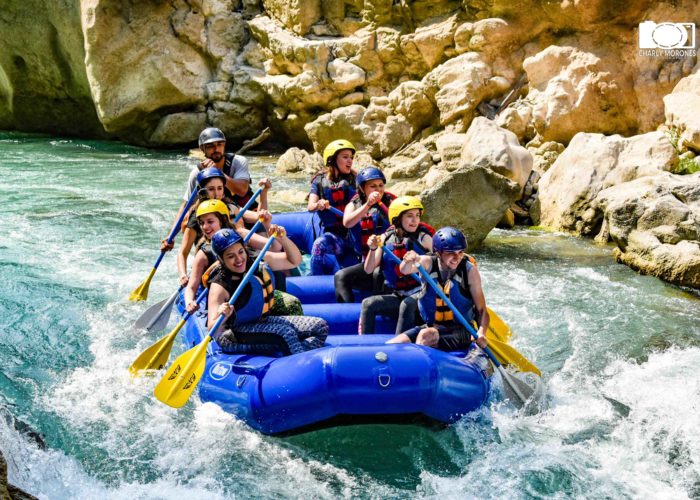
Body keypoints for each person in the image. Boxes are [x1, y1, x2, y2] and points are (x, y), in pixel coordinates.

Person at [207, 228, 328, 356]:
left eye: (241, 252)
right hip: (233, 335)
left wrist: (283, 239)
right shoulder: (220, 285)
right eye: (230, 256)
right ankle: (299, 361)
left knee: (320, 326)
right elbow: (212, 329)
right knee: (286, 334)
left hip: (261, 321)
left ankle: (296, 356)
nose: (239, 259)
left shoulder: (256, 261)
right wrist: (223, 315)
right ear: (220, 259)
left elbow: (294, 261)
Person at [387, 227, 490, 352]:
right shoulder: (428, 262)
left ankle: (418, 369)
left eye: (460, 252)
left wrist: (482, 332)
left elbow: (482, 310)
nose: (456, 257)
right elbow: (404, 270)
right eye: (451, 252)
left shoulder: (469, 271)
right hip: (432, 326)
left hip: (462, 331)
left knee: (426, 336)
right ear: (438, 252)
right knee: (393, 345)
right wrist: (408, 260)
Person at [176, 167, 275, 287]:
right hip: (211, 260)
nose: (216, 194)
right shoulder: (197, 216)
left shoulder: (229, 206)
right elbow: (183, 252)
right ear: (202, 191)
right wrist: (182, 275)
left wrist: (264, 193)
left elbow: (260, 217)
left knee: (270, 258)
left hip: (236, 255)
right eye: (211, 189)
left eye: (220, 188)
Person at [161, 127, 253, 251]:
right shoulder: (197, 174)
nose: (216, 149)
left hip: (240, 211)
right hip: (216, 217)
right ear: (202, 149)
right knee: (189, 221)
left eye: (219, 144)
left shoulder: (238, 162)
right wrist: (170, 236)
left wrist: (217, 172)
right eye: (210, 146)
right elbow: (186, 206)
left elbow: (242, 190)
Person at [360, 196, 433, 334]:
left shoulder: (424, 239)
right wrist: (373, 248)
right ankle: (365, 345)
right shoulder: (385, 239)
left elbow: (438, 269)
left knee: (407, 304)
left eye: (417, 216)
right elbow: (368, 269)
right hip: (399, 294)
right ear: (397, 219)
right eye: (410, 216)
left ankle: (399, 347)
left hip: (422, 294)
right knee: (368, 304)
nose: (415, 220)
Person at [334, 166, 395, 303]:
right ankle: (348, 314)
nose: (378, 189)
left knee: (378, 274)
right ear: (362, 188)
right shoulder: (354, 205)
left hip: (386, 259)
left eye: (380, 185)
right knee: (340, 276)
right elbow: (347, 223)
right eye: (372, 186)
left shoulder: (391, 202)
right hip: (366, 261)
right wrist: (368, 205)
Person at [307, 139, 359, 275]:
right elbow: (310, 206)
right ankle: (316, 281)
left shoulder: (356, 179)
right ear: (332, 160)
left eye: (351, 158)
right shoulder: (319, 181)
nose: (350, 161)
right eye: (345, 157)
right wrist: (319, 204)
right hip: (335, 236)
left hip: (356, 236)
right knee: (319, 245)